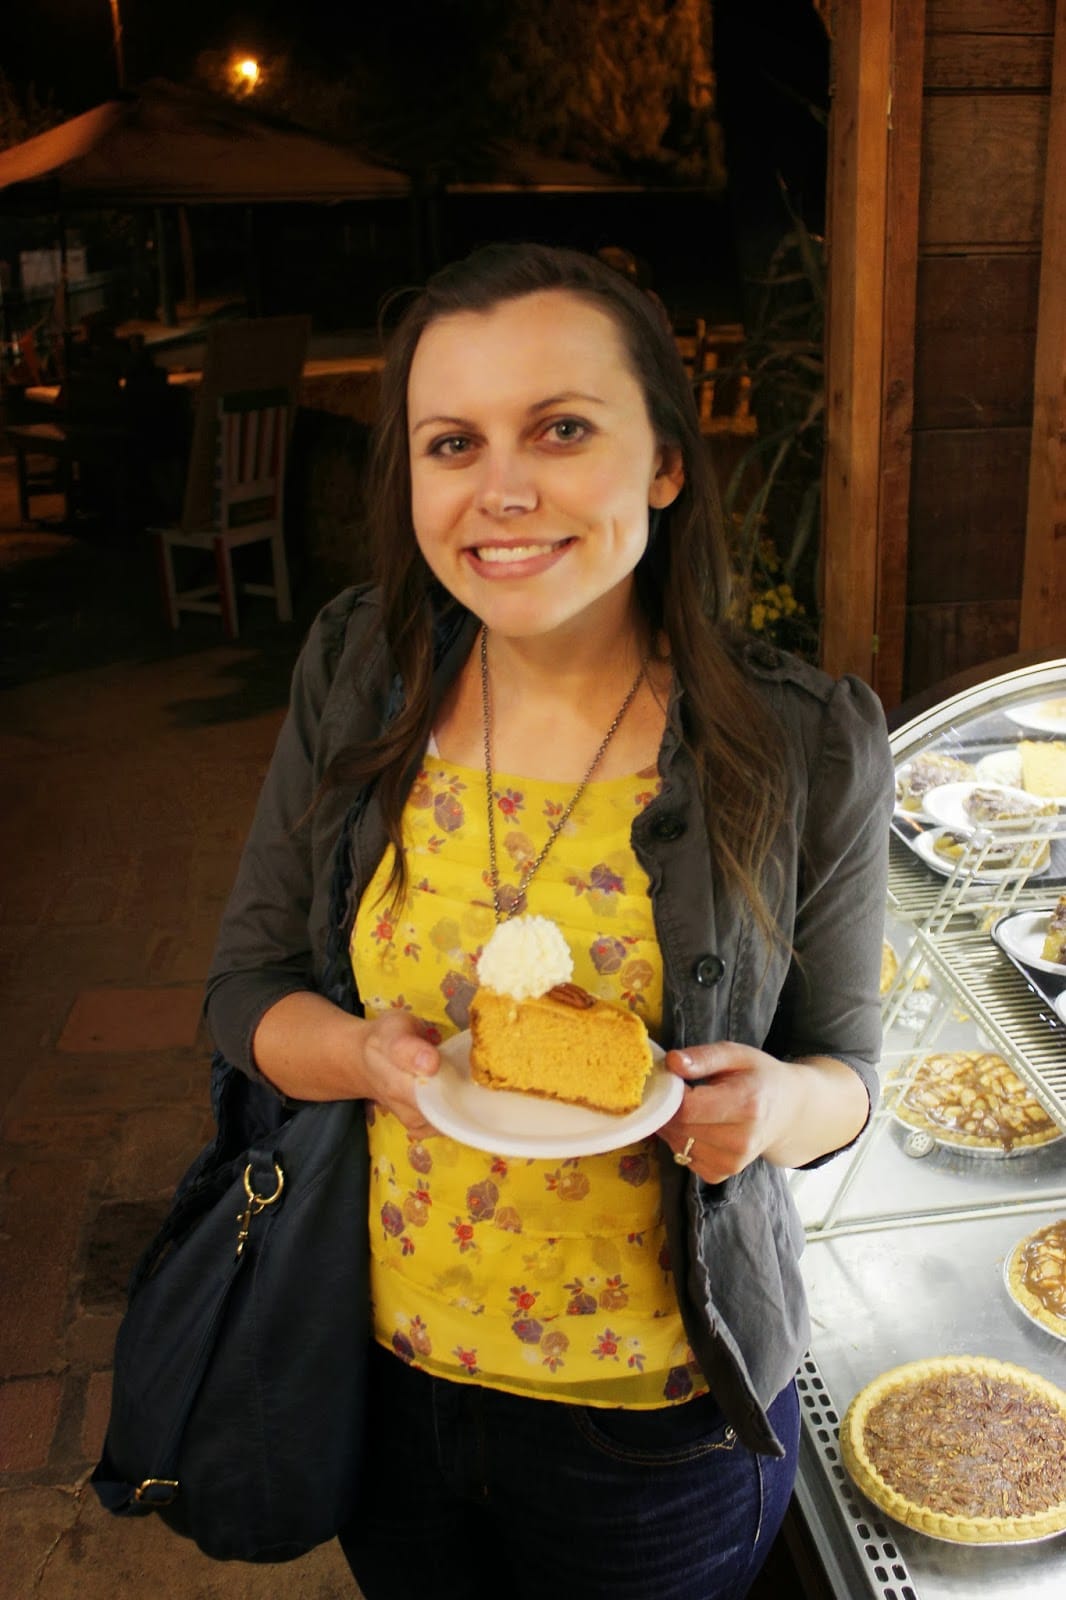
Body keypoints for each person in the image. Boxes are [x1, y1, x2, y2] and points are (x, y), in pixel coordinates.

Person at [205, 241, 893, 1599]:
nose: (500, 489)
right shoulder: (358, 672)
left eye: (561, 428)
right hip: (378, 1379)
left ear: (664, 463)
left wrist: (769, 1110)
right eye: (450, 442)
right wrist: (363, 1060)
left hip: (657, 1423)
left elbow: (848, 1076)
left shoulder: (802, 744)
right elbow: (244, 994)